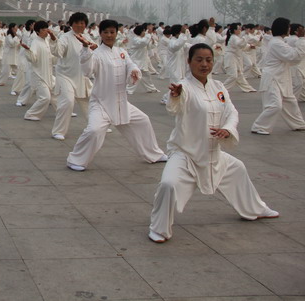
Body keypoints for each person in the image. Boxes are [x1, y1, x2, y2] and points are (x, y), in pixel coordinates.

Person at [149, 44, 278, 243]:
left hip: (213, 153)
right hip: (186, 154)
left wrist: (227, 129)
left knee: (238, 169)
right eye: (199, 60)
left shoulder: (218, 87)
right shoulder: (184, 87)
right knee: (168, 184)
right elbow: (174, 107)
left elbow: (231, 112)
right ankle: (159, 229)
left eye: (208, 60)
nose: (204, 64)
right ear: (189, 61)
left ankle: (255, 208)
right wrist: (175, 96)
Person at [66, 19, 168, 171]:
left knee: (143, 121)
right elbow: (87, 71)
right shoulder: (96, 54)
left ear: (116, 33)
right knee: (94, 130)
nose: (109, 35)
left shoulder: (121, 52)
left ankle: (154, 154)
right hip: (101, 103)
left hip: (121, 102)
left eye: (112, 32)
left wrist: (134, 71)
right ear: (100, 34)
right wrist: (86, 49)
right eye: (106, 32)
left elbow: (130, 64)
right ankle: (76, 160)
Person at [250, 17, 305, 135]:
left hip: (281, 76)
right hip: (273, 78)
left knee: (289, 101)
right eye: (288, 27)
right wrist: (301, 39)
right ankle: (259, 126)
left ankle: (298, 124)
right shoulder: (276, 43)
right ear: (283, 28)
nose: (290, 29)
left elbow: (294, 60)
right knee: (275, 105)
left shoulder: (280, 42)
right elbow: (293, 56)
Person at [50, 12, 91, 140]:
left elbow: (94, 53)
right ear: (71, 24)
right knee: (67, 101)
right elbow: (58, 52)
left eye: (82, 23)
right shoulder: (65, 37)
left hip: (81, 76)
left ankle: (96, 126)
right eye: (77, 23)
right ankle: (59, 131)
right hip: (65, 75)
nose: (80, 25)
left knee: (88, 103)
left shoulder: (87, 37)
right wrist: (53, 40)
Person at [22, 21, 56, 122]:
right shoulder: (35, 42)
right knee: (45, 97)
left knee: (56, 93)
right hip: (39, 75)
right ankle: (30, 114)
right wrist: (28, 51)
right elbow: (33, 58)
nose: (46, 31)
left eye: (47, 29)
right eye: (44, 29)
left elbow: (52, 57)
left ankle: (63, 111)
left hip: (48, 74)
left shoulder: (46, 41)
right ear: (38, 31)